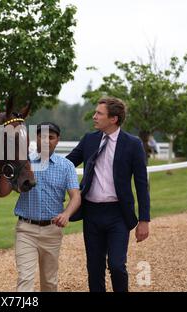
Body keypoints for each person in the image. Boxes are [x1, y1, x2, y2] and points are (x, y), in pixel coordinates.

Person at [66, 97, 150, 292]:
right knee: (94, 268)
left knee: (117, 265)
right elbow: (67, 163)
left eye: (99, 114)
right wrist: (39, 160)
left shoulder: (133, 144)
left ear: (114, 119)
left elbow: (141, 184)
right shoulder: (89, 139)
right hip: (91, 213)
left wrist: (144, 219)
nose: (94, 116)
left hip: (118, 214)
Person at [0, 122, 81, 292]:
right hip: (25, 230)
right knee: (25, 279)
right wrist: (7, 167)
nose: (46, 141)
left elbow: (76, 197)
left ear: (57, 140)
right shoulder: (23, 162)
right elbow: (3, 192)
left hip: (52, 231)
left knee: (49, 282)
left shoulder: (66, 167)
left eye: (50, 137)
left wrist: (66, 214)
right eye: (42, 136)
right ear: (36, 138)